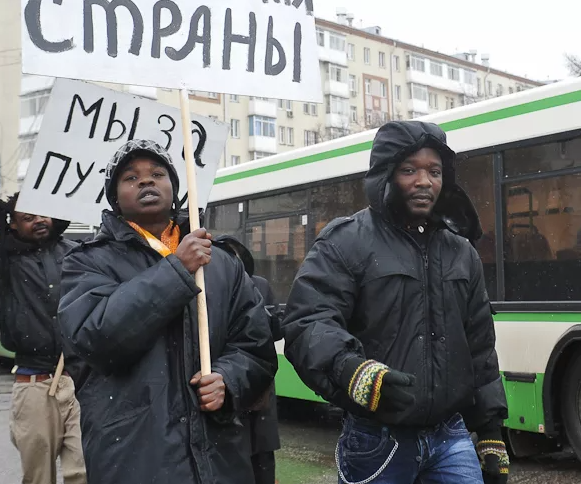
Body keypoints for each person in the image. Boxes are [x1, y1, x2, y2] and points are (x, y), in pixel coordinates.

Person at [283, 120, 509, 484]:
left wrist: (491, 433)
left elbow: (480, 347)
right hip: (376, 440)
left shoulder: (461, 252)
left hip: (451, 438)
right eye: (409, 170)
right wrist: (355, 372)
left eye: (434, 171)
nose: (424, 181)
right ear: (386, 175)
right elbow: (308, 323)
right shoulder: (347, 241)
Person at [57, 139, 277, 484]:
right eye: (130, 178)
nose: (146, 181)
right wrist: (177, 270)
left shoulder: (219, 262)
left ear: (175, 188)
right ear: (115, 199)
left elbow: (256, 347)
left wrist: (229, 380)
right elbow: (96, 340)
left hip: (218, 457)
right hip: (135, 456)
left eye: (158, 173)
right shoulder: (87, 261)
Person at [0, 194, 86, 484]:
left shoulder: (77, 252)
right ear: (12, 225)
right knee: (38, 476)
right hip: (33, 384)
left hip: (82, 380)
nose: (38, 220)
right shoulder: (6, 261)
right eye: (27, 217)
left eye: (42, 213)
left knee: (86, 471)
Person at [216, 234, 282, 484]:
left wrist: (263, 320)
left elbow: (276, 330)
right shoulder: (210, 287)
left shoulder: (260, 284)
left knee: (262, 453)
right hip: (227, 381)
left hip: (259, 388)